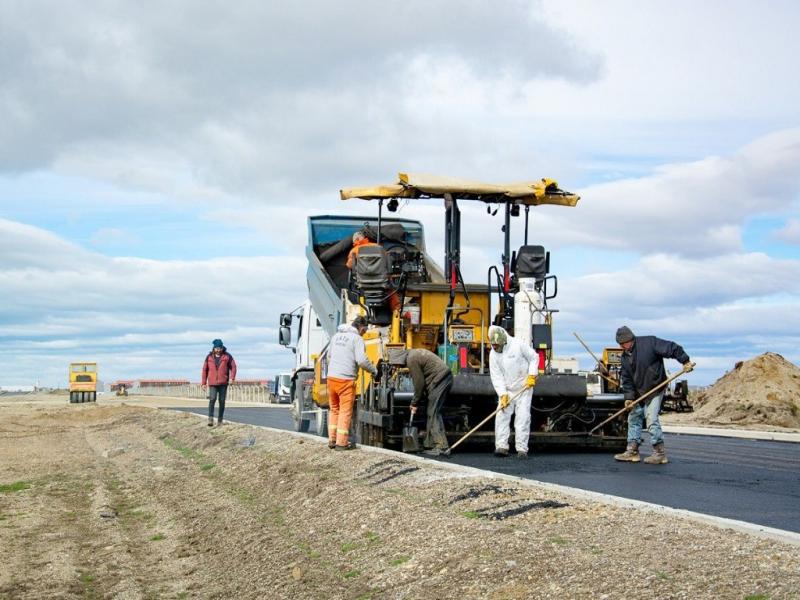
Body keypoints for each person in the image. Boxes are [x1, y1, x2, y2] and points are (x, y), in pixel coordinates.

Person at [613, 326, 693, 465]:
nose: (622, 347)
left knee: (651, 419)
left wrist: (685, 361)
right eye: (620, 344)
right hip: (639, 392)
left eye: (623, 343)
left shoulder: (649, 343)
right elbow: (626, 379)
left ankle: (659, 453)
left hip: (655, 387)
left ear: (630, 339)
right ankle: (632, 451)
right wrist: (629, 397)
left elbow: (672, 347)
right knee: (634, 417)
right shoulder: (625, 357)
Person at [326, 315, 378, 450]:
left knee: (334, 409)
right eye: (365, 331)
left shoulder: (336, 336)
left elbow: (329, 356)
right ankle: (341, 443)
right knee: (345, 411)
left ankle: (332, 439)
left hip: (331, 379)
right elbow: (361, 360)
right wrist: (373, 370)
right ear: (361, 327)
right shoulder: (357, 339)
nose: (364, 333)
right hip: (346, 381)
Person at [488, 325, 537, 458]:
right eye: (493, 345)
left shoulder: (518, 345)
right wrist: (502, 394)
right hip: (508, 390)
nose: (494, 347)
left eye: (497, 345)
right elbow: (496, 376)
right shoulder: (493, 355)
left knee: (522, 417)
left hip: (524, 388)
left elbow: (534, 357)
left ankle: (522, 449)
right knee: (502, 416)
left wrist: (532, 375)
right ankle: (501, 446)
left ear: (504, 341)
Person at [403, 348, 452, 456]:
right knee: (431, 411)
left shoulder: (411, 360)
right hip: (441, 379)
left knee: (433, 412)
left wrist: (414, 403)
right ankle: (430, 443)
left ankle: (442, 446)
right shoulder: (414, 354)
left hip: (440, 380)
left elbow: (419, 384)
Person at [201, 338, 237, 427]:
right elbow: (204, 370)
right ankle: (210, 418)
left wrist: (232, 378)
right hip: (212, 383)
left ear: (222, 348)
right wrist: (203, 383)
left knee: (222, 401)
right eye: (216, 348)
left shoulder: (227, 356)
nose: (218, 350)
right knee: (212, 399)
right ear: (214, 348)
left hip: (223, 383)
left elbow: (233, 367)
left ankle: (220, 420)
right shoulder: (209, 357)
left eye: (220, 348)